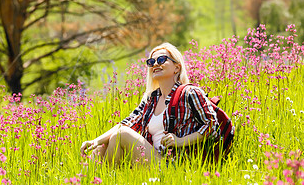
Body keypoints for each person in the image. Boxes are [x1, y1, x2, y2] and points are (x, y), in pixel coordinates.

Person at [80, 42, 219, 166]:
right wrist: (95, 141)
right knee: (104, 144)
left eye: (161, 59)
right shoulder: (151, 99)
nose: (155, 64)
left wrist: (179, 141)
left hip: (174, 165)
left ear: (177, 68)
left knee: (121, 134)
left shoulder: (189, 92)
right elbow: (126, 123)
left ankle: (103, 182)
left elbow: (212, 125)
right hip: (152, 159)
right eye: (151, 61)